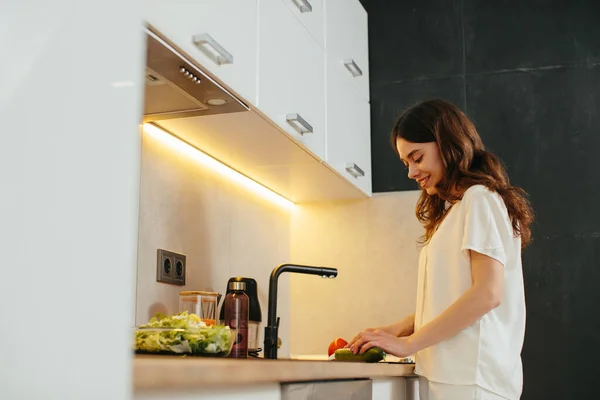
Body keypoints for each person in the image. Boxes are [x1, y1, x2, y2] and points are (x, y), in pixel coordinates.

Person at [347, 99, 534, 400]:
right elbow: (453, 296)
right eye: (406, 162)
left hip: (472, 379)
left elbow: (487, 293)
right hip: (455, 377)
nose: (411, 171)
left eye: (417, 157)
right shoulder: (458, 209)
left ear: (447, 144)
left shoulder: (480, 199)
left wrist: (410, 344)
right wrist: (398, 329)